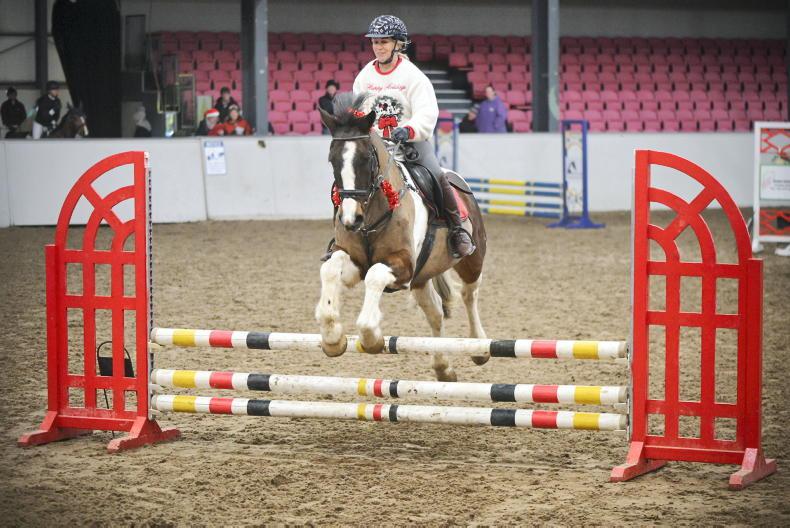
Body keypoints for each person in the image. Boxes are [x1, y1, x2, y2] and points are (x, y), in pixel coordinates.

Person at [351, 14, 474, 258]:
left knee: (436, 175)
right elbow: (359, 111)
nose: (378, 47)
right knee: (347, 179)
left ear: (398, 44)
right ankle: (343, 236)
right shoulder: (364, 77)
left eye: (384, 42)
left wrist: (408, 130)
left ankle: (457, 230)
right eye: (375, 42)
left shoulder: (414, 76)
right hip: (376, 147)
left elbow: (427, 112)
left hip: (410, 145)